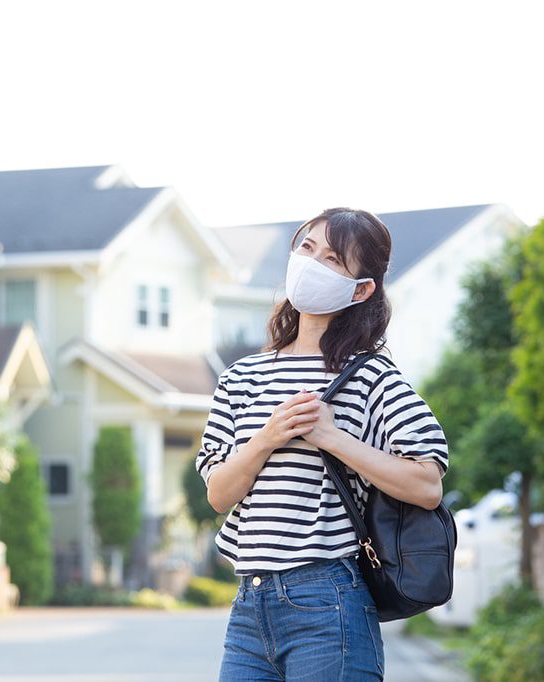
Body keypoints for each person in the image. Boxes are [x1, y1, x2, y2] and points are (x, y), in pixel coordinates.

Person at [196, 207, 449, 681]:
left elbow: (426, 483)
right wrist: (268, 436)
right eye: (307, 248)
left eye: (333, 259)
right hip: (249, 607)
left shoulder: (372, 376)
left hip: (328, 599)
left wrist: (332, 437)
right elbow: (219, 494)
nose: (311, 263)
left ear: (361, 289)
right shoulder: (241, 377)